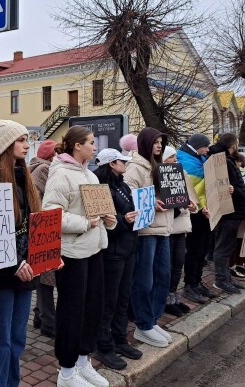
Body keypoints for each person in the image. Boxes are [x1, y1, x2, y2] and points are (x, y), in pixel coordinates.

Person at [43, 126, 116, 387]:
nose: (94, 147)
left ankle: (83, 361)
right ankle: (66, 370)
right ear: (77, 146)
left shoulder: (90, 175)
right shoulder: (61, 174)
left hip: (94, 249)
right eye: (90, 143)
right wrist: (86, 222)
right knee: (71, 311)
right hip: (72, 253)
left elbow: (102, 210)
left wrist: (109, 219)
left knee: (93, 307)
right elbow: (51, 213)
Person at [0, 120, 41, 387]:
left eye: (27, 140)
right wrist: (14, 263)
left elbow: (32, 223)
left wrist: (45, 255)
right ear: (6, 144)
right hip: (2, 274)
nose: (27, 145)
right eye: (21, 140)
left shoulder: (21, 173)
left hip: (26, 269)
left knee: (16, 339)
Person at [123, 127, 174, 349]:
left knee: (163, 276)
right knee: (144, 280)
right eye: (155, 142)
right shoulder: (134, 168)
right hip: (145, 232)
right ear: (145, 143)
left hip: (163, 228)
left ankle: (152, 320)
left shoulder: (160, 166)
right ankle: (143, 324)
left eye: (161, 142)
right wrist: (150, 203)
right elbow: (126, 196)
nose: (159, 146)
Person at [92, 148, 142, 371]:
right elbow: (105, 223)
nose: (125, 164)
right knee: (109, 301)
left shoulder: (122, 185)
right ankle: (103, 346)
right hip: (112, 253)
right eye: (122, 161)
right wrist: (124, 220)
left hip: (128, 248)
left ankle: (120, 340)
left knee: (122, 298)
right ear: (112, 164)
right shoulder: (102, 189)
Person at [208, 133, 245, 295]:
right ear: (233, 146)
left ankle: (226, 277)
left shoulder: (225, 160)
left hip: (233, 210)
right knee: (223, 247)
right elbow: (233, 187)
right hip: (228, 211)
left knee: (227, 246)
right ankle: (221, 280)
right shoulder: (224, 161)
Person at [177, 133, 217, 304]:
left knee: (203, 248)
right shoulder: (187, 162)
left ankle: (197, 281)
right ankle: (190, 285)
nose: (208, 149)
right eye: (206, 146)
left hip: (204, 211)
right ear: (198, 145)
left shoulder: (198, 158)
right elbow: (195, 188)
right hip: (195, 212)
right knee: (194, 249)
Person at [162, 146, 196, 317]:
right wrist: (180, 205)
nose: (175, 161)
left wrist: (192, 205)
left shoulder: (181, 175)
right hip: (168, 228)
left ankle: (173, 297)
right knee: (167, 266)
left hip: (181, 226)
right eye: (171, 157)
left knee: (178, 265)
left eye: (175, 157)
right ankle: (165, 300)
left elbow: (190, 198)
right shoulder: (160, 176)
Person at [30, 139, 58, 338]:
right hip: (44, 225)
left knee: (43, 274)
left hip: (40, 225)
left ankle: (40, 316)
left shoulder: (37, 167)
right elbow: (52, 194)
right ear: (50, 155)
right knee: (46, 277)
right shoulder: (44, 170)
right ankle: (48, 320)